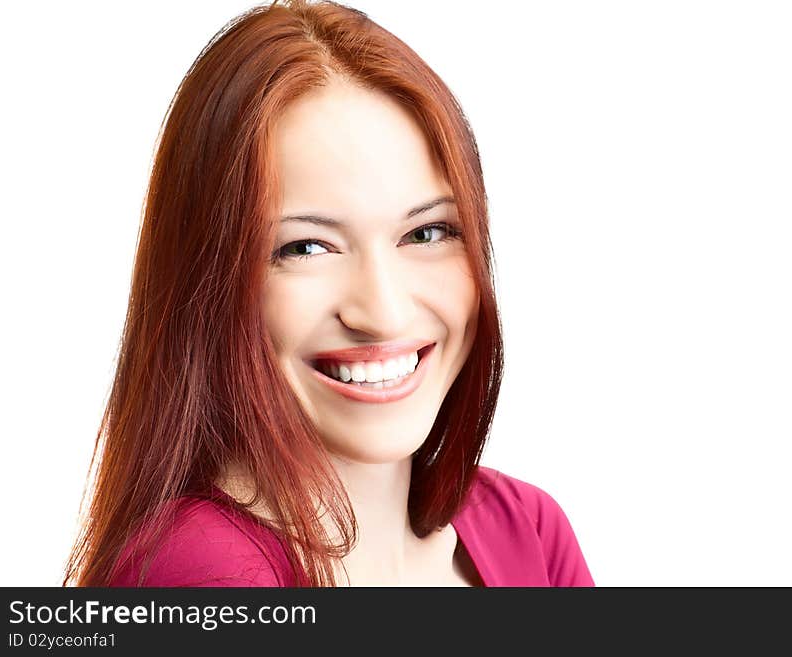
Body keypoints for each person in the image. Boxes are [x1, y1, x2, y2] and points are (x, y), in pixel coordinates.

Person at [64, 0, 594, 587]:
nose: (384, 312)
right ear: (208, 282)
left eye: (427, 232)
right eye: (306, 248)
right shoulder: (205, 573)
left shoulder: (529, 530)